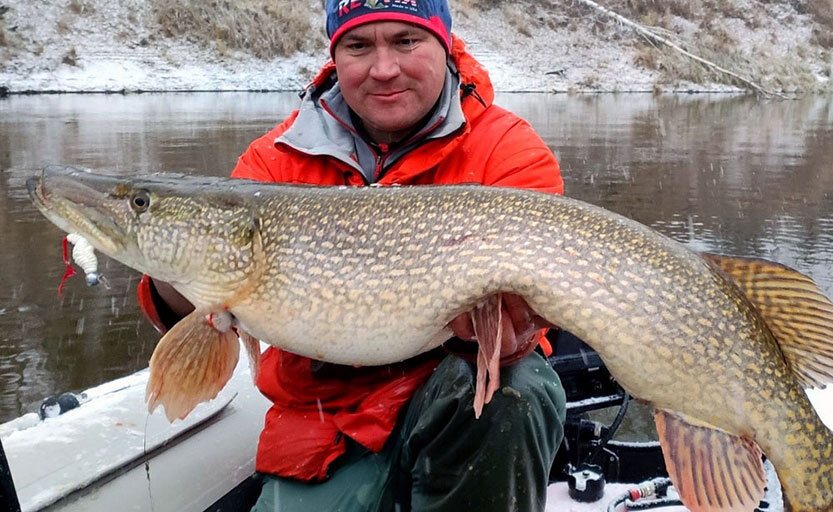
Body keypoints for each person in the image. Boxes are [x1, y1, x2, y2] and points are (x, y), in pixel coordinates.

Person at [136, 0, 567, 510]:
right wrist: (178, 274)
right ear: (335, 56)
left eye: (406, 41)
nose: (384, 70)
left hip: (457, 412)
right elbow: (194, 308)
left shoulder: (507, 150)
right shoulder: (274, 161)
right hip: (323, 432)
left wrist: (509, 333)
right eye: (359, 46)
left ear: (445, 44)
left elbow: (529, 328)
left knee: (517, 385)